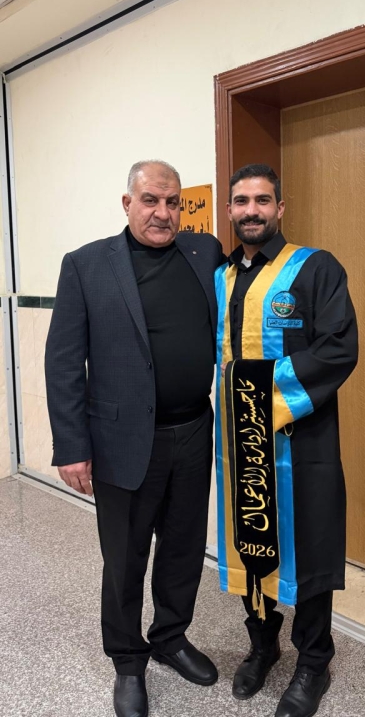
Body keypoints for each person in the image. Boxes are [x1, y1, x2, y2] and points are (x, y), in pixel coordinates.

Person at [45, 160, 224, 717]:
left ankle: (170, 637)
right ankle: (127, 661)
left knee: (184, 547)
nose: (162, 213)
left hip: (193, 431)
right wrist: (72, 446)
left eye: (173, 202)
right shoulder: (86, 265)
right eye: (150, 200)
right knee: (124, 557)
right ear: (128, 203)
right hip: (121, 440)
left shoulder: (204, 252)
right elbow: (63, 362)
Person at [215, 164, 358, 717]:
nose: (251, 210)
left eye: (262, 200)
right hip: (240, 445)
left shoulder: (315, 268)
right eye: (241, 201)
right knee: (250, 537)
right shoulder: (221, 277)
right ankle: (262, 644)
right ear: (230, 210)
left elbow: (338, 348)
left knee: (308, 545)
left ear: (280, 207)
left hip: (301, 440)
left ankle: (314, 661)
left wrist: (260, 400)